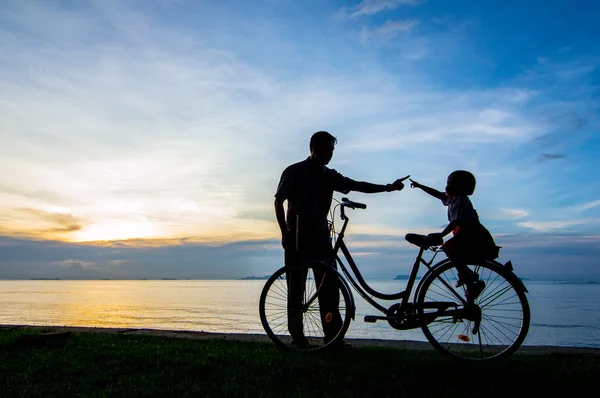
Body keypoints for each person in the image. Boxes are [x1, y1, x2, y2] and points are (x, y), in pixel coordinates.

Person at [274, 131, 408, 348]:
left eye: (332, 150)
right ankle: (298, 338)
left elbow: (356, 185)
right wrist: (284, 233)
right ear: (314, 147)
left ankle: (333, 338)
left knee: (329, 291)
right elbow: (278, 201)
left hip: (321, 238)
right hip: (297, 238)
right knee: (296, 290)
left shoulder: (329, 175)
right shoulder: (294, 171)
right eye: (328, 149)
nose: (330, 154)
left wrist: (387, 188)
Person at [407, 170, 499, 302]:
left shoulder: (461, 201)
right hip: (466, 236)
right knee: (453, 252)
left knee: (450, 248)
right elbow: (438, 194)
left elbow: (456, 222)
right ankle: (469, 282)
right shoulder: (453, 200)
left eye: (449, 183)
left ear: (457, 186)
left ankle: (468, 275)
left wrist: (441, 234)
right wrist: (420, 186)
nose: (446, 187)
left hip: (472, 236)